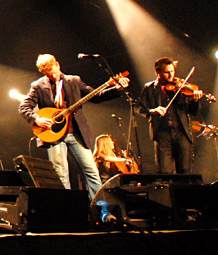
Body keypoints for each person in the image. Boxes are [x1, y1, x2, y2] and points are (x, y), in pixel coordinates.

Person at [18, 54, 129, 199]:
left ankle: (99, 206)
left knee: (92, 171)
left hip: (76, 134)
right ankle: (68, 207)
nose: (54, 77)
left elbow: (96, 96)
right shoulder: (38, 86)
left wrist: (116, 89)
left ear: (57, 64)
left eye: (54, 72)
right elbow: (24, 107)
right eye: (49, 75)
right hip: (53, 136)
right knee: (61, 174)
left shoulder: (74, 81)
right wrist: (37, 119)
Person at [136, 57, 202, 174]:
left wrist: (195, 100)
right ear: (158, 72)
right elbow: (138, 107)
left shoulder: (181, 86)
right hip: (162, 133)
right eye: (167, 72)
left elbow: (193, 111)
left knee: (185, 171)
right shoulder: (150, 88)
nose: (171, 75)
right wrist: (153, 111)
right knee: (164, 171)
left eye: (172, 71)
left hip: (182, 132)